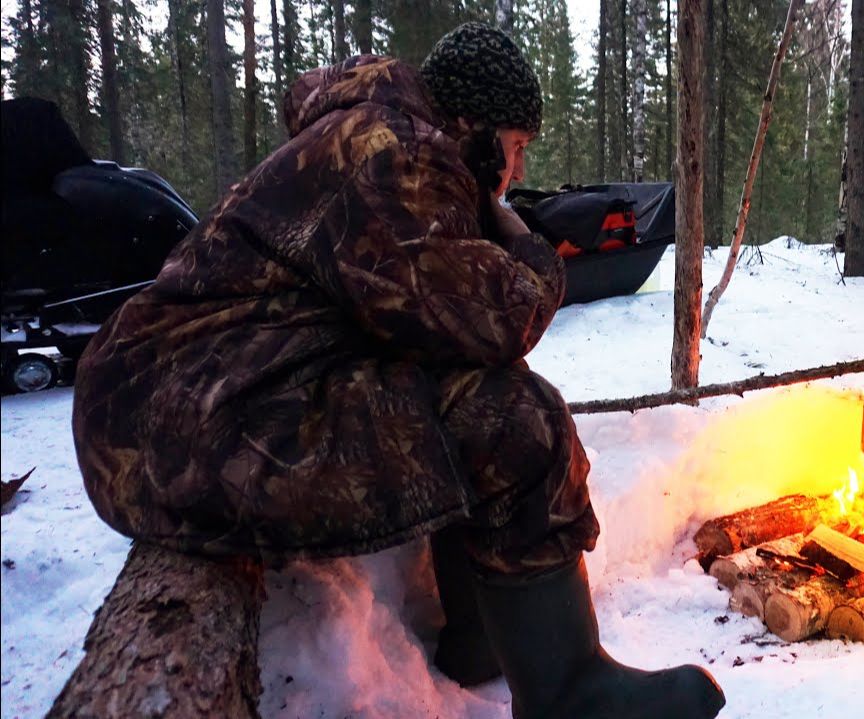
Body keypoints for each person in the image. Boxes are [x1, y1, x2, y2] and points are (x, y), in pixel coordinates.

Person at [71, 22, 725, 719]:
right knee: (513, 416)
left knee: (449, 388)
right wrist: (533, 249)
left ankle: (484, 638)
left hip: (182, 410)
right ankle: (572, 691)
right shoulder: (394, 153)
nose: (519, 170)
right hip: (195, 423)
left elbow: (426, 329)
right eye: (516, 147)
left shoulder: (375, 136)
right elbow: (492, 325)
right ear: (472, 125)